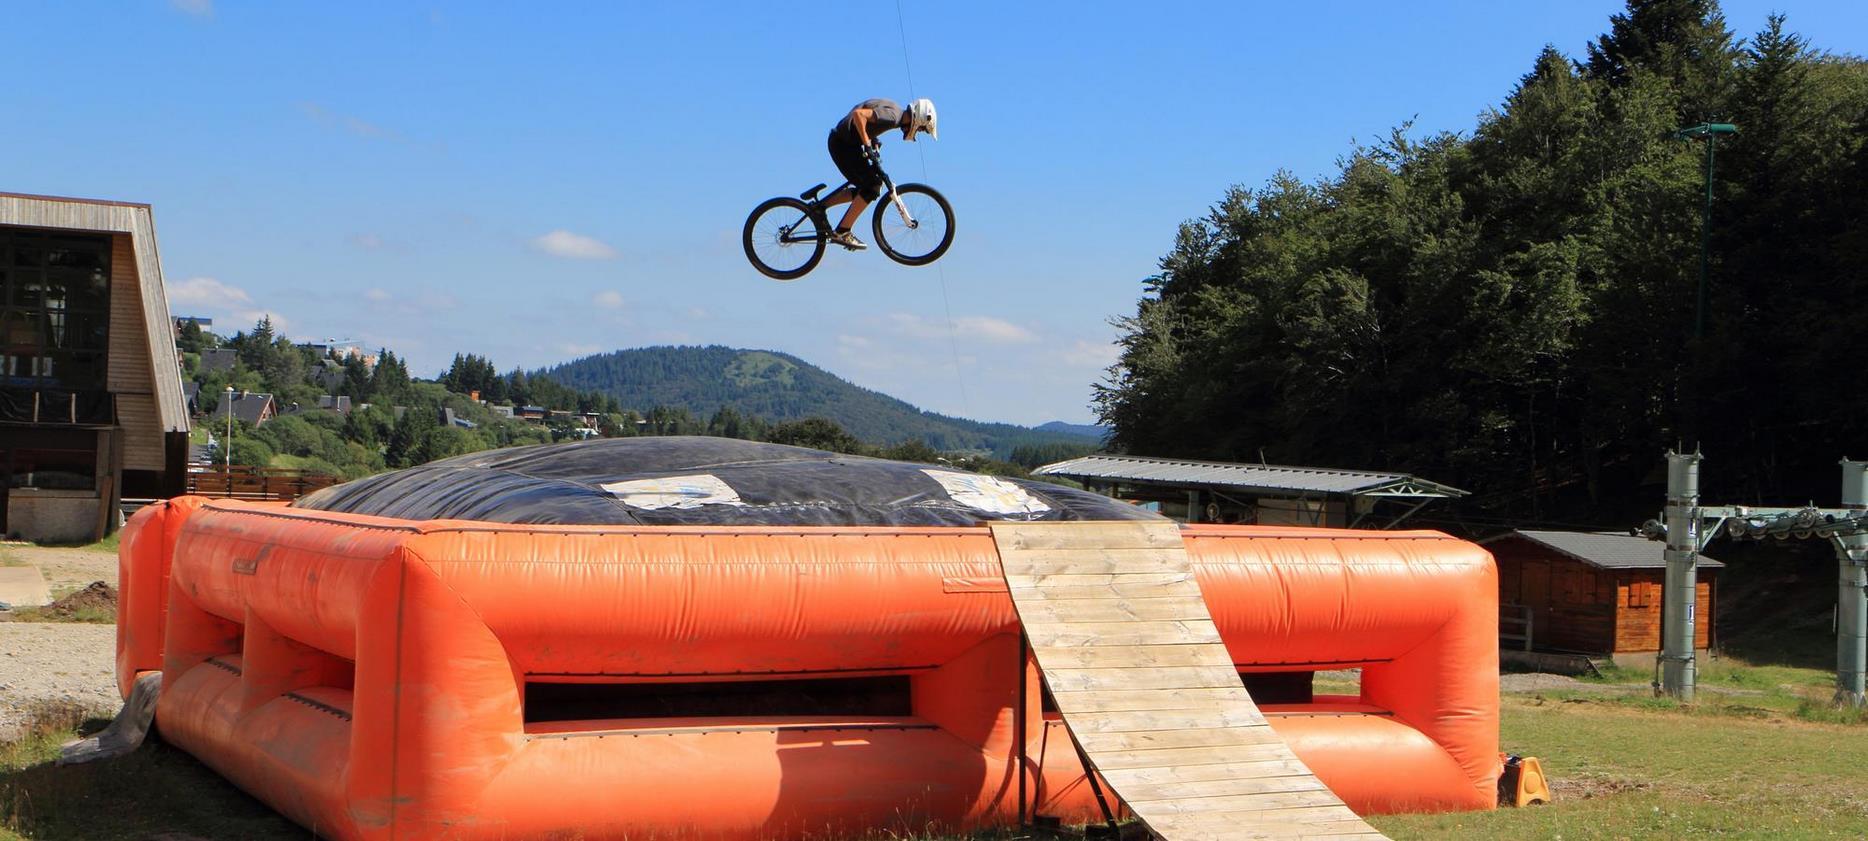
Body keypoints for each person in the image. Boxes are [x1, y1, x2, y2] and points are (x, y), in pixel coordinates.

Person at [823, 97, 938, 251]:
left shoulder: (894, 112)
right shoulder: (893, 117)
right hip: (844, 145)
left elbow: (864, 110)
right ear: (919, 119)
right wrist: (867, 143)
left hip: (846, 143)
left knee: (866, 190)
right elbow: (859, 114)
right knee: (873, 187)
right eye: (921, 129)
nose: (917, 132)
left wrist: (873, 139)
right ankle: (842, 231)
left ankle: (821, 207)